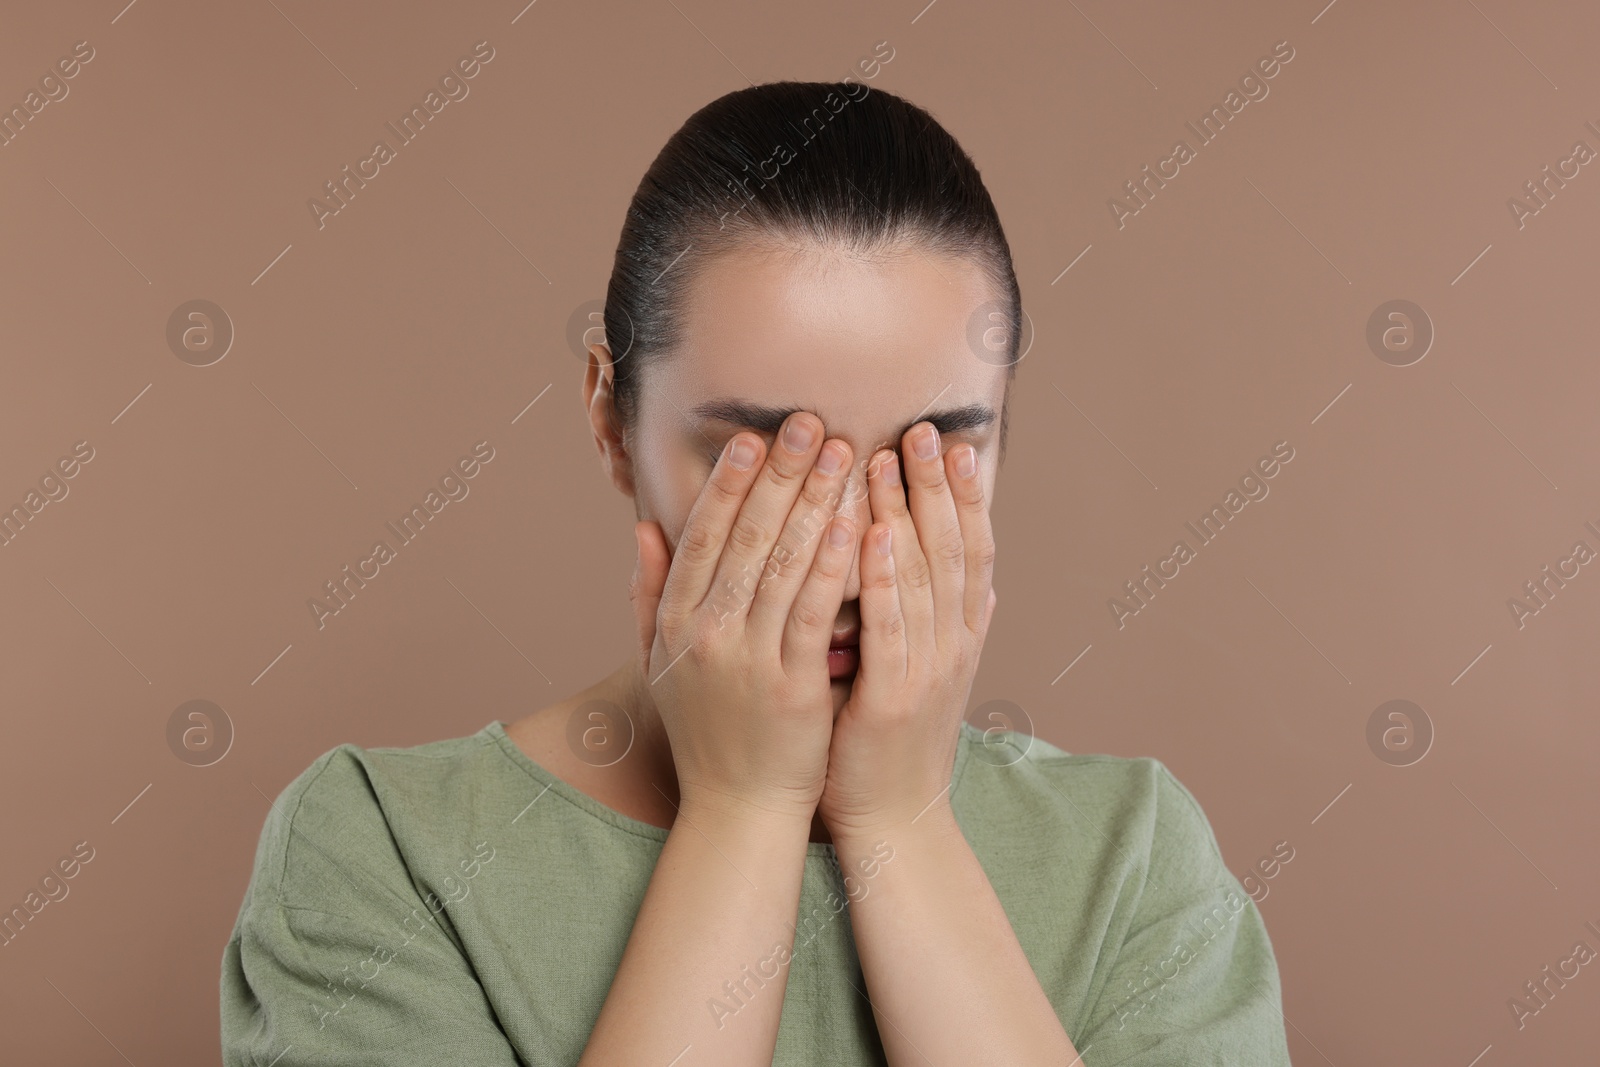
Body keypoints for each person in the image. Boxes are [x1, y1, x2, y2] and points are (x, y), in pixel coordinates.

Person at [221, 80, 1293, 1066]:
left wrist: (901, 821)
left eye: (928, 457)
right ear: (610, 417)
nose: (841, 555)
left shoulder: (1133, 857)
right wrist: (743, 808)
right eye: (766, 459)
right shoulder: (383, 849)